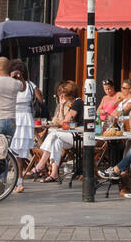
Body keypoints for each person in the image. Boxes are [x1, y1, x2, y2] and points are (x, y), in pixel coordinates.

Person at [27, 81, 82, 181]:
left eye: (62, 93)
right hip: (74, 136)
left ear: (69, 93)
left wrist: (62, 122)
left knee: (54, 134)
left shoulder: (78, 103)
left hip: (81, 137)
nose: (60, 96)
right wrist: (61, 106)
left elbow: (64, 122)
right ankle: (54, 173)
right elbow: (63, 121)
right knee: (57, 142)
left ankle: (40, 165)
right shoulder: (72, 104)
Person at [10, 60, 40, 192]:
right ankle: (19, 180)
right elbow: (41, 100)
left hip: (18, 118)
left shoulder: (27, 85)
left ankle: (18, 180)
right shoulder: (30, 85)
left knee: (17, 152)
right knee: (18, 152)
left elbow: (40, 100)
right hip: (23, 119)